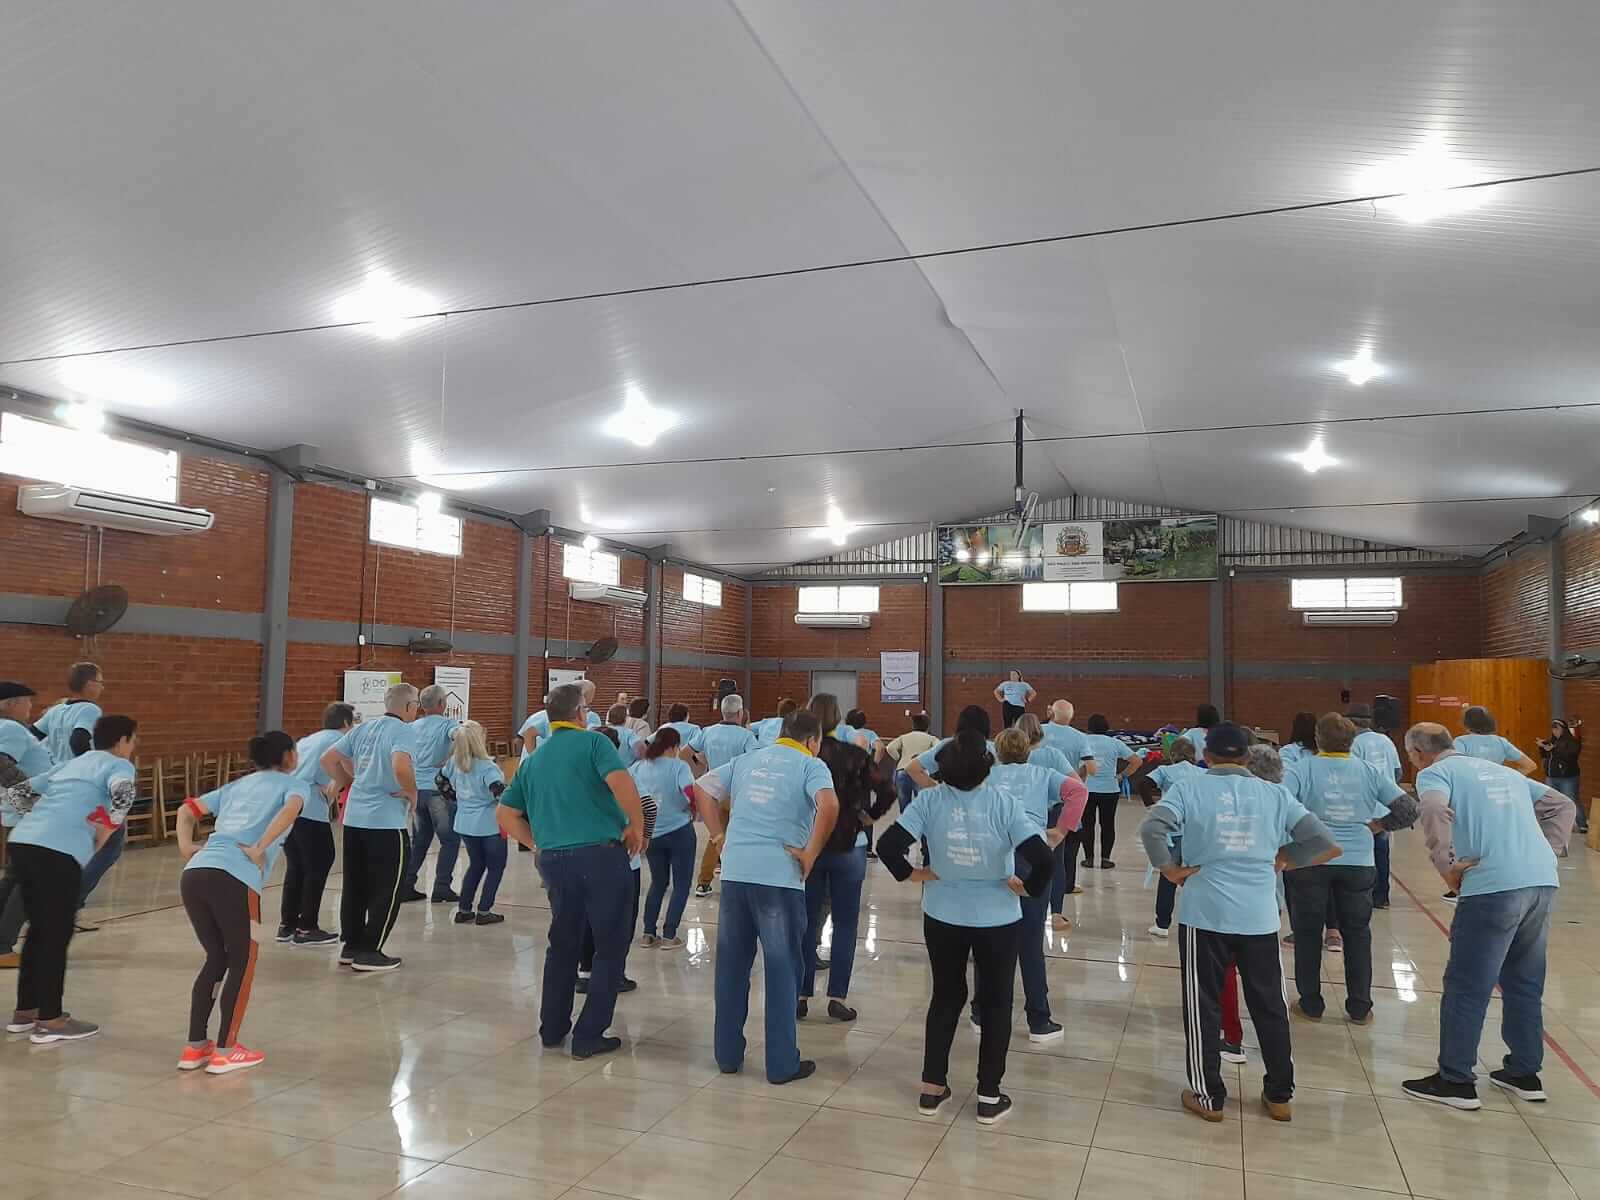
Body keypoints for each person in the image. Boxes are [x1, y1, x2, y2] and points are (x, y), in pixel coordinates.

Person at [1139, 722, 1342, 1123]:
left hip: (1205, 913)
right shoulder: (1275, 794)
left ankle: (1208, 1095)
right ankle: (1279, 1094)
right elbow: (1325, 844)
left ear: (1206, 756)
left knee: (1203, 1005)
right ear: (1248, 756)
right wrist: (1285, 859)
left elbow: (1152, 827)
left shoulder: (1190, 788)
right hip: (1259, 916)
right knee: (1269, 1005)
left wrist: (1169, 870)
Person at [878, 730, 1058, 1125]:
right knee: (996, 1002)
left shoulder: (929, 801)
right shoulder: (1004, 804)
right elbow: (1044, 859)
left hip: (942, 915)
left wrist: (914, 875)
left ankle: (932, 1088)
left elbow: (887, 846)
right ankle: (989, 1095)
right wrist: (1027, 888)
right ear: (987, 769)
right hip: (997, 919)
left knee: (945, 996)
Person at [1400, 722, 1576, 1110]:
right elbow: (1563, 805)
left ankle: (1456, 1079)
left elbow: (1432, 808)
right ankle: (1524, 1073)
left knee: (1467, 984)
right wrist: (1549, 850)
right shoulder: (1504, 773)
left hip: (1493, 887)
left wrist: (1446, 867)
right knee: (1524, 981)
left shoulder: (1435, 773)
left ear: (1418, 753)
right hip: (1540, 883)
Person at [497, 683, 648, 1059]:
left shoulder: (534, 759)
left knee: (563, 943)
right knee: (609, 946)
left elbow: (505, 813)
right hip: (600, 857)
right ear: (581, 713)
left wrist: (536, 844)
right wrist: (636, 826)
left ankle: (552, 1029)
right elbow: (622, 784)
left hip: (555, 860)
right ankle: (589, 1035)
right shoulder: (594, 743)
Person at [693, 708, 838, 1084]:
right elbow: (829, 805)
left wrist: (719, 837)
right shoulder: (811, 765)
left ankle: (727, 1056)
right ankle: (782, 1064)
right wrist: (811, 853)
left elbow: (703, 789)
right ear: (813, 741)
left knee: (731, 967)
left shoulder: (748, 760)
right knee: (782, 968)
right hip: (779, 877)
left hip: (736, 873)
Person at [175, 731, 305, 1074]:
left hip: (194, 874)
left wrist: (185, 847)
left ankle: (194, 1047)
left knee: (217, 957)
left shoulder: (236, 786)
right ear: (288, 756)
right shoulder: (294, 785)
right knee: (243, 961)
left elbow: (187, 810)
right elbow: (290, 811)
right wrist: (260, 847)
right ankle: (226, 1050)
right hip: (235, 878)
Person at [7, 714, 138, 1043]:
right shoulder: (118, 764)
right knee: (56, 933)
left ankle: (26, 1011)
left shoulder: (73, 764)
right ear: (123, 740)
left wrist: (42, 818)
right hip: (58, 851)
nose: (133, 746)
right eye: (133, 740)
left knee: (39, 930)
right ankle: (50, 1019)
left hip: (24, 842)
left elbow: (18, 792)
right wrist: (108, 828)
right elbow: (123, 794)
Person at [1282, 714, 1419, 1025]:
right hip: (1358, 860)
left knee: (1307, 933)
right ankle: (1359, 1006)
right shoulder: (1368, 770)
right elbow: (1409, 809)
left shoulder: (1301, 769)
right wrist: (1377, 826)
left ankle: (1311, 1003)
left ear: (1318, 739)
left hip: (1310, 859)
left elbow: (1279, 804)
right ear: (1352, 740)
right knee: (1357, 934)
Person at [974, 728, 1087, 1043]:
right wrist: (1060, 831)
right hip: (1031, 852)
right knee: (1030, 939)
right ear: (1029, 750)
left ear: (997, 752)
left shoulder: (986, 776)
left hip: (993, 854)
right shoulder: (1043, 774)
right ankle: (1039, 1020)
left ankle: (981, 1013)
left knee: (988, 936)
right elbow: (1078, 791)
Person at [798, 693, 895, 1024]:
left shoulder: (803, 758)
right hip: (850, 846)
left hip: (810, 846)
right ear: (838, 718)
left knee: (807, 920)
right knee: (846, 923)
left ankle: (801, 994)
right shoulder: (855, 755)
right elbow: (888, 789)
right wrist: (869, 816)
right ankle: (837, 996)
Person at [321, 683, 420, 972]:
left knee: (355, 886)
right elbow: (400, 766)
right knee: (388, 888)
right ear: (408, 706)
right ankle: (370, 951)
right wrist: (412, 791)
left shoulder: (363, 728)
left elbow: (329, 759)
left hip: (354, 819)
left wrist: (349, 781)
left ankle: (351, 946)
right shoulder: (403, 731)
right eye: (416, 704)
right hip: (385, 821)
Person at [579, 727, 656, 996]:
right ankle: (614, 974)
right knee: (620, 920)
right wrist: (644, 837)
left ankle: (585, 972)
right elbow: (649, 806)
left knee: (587, 917)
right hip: (621, 859)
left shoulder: (577, 775)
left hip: (583, 857)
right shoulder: (623, 775)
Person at [278, 702, 353, 946]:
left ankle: (287, 925)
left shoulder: (308, 740)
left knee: (297, 866)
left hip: (287, 807)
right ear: (346, 723)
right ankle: (307, 926)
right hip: (309, 810)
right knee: (319, 863)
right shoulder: (339, 741)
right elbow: (344, 772)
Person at [0, 681, 53, 969]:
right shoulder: (10, 728)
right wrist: (32, 797)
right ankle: (3, 947)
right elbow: (2, 763)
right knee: (29, 883)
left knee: (13, 880)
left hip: (19, 815)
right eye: (27, 701)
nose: (30, 707)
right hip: (30, 815)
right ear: (11, 704)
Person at [632, 727, 698, 951]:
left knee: (658, 882)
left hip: (652, 834)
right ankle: (670, 934)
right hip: (679, 830)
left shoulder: (638, 767)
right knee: (681, 884)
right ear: (674, 747)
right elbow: (690, 793)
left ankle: (648, 933)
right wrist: (694, 811)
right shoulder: (679, 766)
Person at [439, 721, 509, 925]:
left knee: (476, 865)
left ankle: (464, 909)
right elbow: (500, 794)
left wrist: (455, 798)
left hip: (465, 823)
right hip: (489, 825)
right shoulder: (488, 767)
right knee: (496, 867)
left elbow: (440, 781)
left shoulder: (454, 762)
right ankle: (484, 910)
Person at [400, 684, 462, 904]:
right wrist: (451, 758)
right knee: (450, 840)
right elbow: (462, 737)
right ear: (441, 704)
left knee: (420, 840)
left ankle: (406, 885)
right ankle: (442, 887)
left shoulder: (412, 726)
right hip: (438, 791)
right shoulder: (448, 724)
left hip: (416, 790)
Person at [1038, 700, 1097, 926]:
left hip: (1030, 802)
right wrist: (1080, 776)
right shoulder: (1080, 737)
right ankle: (1056, 914)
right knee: (1057, 858)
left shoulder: (1037, 732)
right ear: (1071, 717)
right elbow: (1091, 768)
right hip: (1060, 802)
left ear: (1050, 712)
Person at [693, 695, 758, 897]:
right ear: (740, 713)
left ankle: (703, 882)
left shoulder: (707, 731)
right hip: (737, 793)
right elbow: (755, 762)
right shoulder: (746, 736)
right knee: (742, 836)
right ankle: (742, 880)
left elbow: (686, 753)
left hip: (713, 793)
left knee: (716, 836)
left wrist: (702, 767)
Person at [1142, 737, 1205, 940]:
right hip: (1197, 832)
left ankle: (1162, 923)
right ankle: (1199, 920)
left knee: (1168, 876)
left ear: (1172, 754)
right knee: (1198, 875)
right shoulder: (1204, 773)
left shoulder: (1165, 771)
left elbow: (1144, 784)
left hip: (1173, 830)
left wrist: (1151, 807)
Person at [1347, 704, 1402, 909]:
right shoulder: (1385, 740)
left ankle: (1364, 895)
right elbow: (1397, 772)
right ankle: (1382, 896)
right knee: (1382, 853)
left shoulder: (1354, 744)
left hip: (1365, 809)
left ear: (1351, 723)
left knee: (1363, 854)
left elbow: (1352, 775)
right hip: (1384, 808)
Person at [1080, 714, 1141, 869]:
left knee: (1087, 824)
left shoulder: (1082, 740)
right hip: (1109, 789)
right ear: (1107, 727)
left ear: (1089, 727)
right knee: (1107, 825)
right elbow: (1136, 761)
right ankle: (1106, 859)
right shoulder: (1115, 743)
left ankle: (1089, 858)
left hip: (1086, 788)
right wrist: (1122, 775)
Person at [36, 661, 103, 763]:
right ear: (89, 684)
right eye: (100, 682)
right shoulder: (90, 709)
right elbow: (79, 740)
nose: (102, 687)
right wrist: (88, 765)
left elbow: (31, 736)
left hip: (55, 770)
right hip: (77, 770)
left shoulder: (55, 710)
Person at [878, 712, 938, 818]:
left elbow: (890, 747)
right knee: (922, 805)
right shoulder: (931, 738)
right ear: (928, 726)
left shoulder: (904, 737)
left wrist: (898, 758)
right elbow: (939, 750)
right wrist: (926, 760)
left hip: (902, 771)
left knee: (904, 805)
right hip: (920, 772)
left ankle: (906, 824)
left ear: (913, 726)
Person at [1454, 706, 1538, 775]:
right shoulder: (1501, 742)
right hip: (1497, 787)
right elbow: (1530, 766)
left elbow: (1455, 768)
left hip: (1471, 787)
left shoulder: (1461, 742)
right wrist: (1509, 778)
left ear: (1466, 723)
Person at [1538, 719, 1586, 833]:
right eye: (1553, 729)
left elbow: (1570, 756)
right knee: (1551, 801)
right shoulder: (1552, 741)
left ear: (1563, 729)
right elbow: (1545, 756)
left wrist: (1553, 749)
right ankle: (1554, 825)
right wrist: (1542, 747)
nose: (1554, 731)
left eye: (1557, 729)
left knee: (1572, 799)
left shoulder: (1572, 742)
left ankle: (1582, 824)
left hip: (1567, 778)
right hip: (1551, 776)